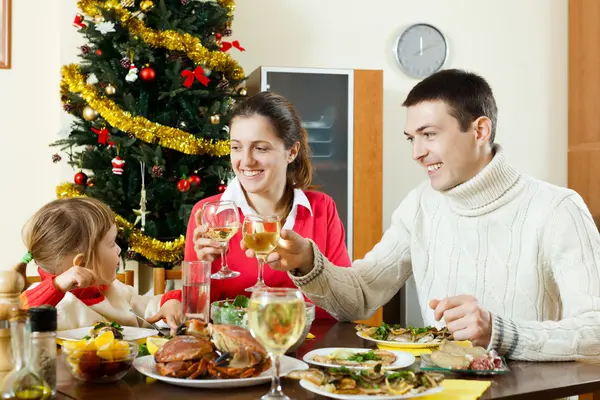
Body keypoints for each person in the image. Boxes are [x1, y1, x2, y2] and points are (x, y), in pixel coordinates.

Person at [242, 69, 600, 361]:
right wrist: (308, 262)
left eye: (428, 135)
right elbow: (361, 295)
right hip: (436, 389)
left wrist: (499, 332)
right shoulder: (421, 204)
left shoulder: (557, 209)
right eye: (410, 138)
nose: (417, 152)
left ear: (480, 130)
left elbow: (596, 331)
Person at [185, 91, 351, 319]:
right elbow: (194, 314)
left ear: (292, 151)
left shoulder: (322, 209)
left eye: (260, 148)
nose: (246, 161)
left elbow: (345, 303)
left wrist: (308, 264)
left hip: (309, 351)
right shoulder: (208, 213)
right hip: (233, 351)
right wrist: (200, 269)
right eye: (236, 147)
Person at [18, 197, 184, 331]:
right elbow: (17, 323)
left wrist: (169, 303)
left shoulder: (116, 290)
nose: (119, 249)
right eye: (112, 243)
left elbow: (148, 311)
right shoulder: (52, 305)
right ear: (81, 263)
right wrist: (56, 287)